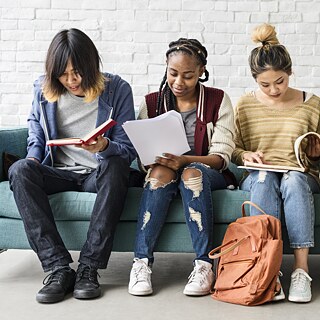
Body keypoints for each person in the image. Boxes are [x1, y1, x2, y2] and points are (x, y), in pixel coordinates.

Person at [8, 28, 137, 303]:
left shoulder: (117, 89)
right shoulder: (43, 89)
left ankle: (89, 267)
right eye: (63, 74)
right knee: (20, 170)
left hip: (97, 173)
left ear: (91, 65)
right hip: (58, 171)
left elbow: (127, 151)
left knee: (116, 165)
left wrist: (104, 146)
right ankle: (58, 267)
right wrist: (33, 157)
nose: (72, 80)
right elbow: (35, 131)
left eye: (77, 72)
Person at [128, 38, 236, 296]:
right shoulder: (152, 102)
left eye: (188, 76)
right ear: (166, 67)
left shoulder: (218, 100)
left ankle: (203, 265)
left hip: (207, 172)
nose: (178, 82)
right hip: (164, 169)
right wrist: (152, 160)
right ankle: (141, 263)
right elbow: (142, 157)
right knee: (159, 174)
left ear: (201, 72)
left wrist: (185, 160)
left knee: (191, 174)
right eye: (173, 73)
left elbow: (222, 157)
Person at [232, 23, 320, 303]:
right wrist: (245, 156)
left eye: (280, 81)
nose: (273, 90)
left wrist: (316, 154)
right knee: (263, 178)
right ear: (255, 80)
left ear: (290, 72)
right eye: (265, 84)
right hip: (261, 173)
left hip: (300, 173)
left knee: (292, 180)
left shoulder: (313, 104)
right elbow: (233, 148)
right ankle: (267, 269)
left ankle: (300, 271)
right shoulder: (245, 104)